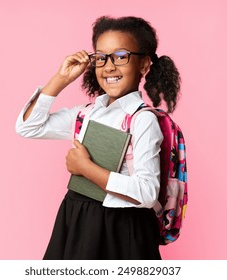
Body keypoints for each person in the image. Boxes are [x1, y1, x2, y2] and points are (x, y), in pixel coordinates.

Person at [15, 16, 181, 260]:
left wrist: (86, 168)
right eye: (101, 57)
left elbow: (146, 192)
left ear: (144, 65)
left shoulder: (142, 120)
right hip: (78, 220)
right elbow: (28, 127)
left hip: (121, 229)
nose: (109, 66)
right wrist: (61, 78)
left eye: (121, 56)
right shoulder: (87, 113)